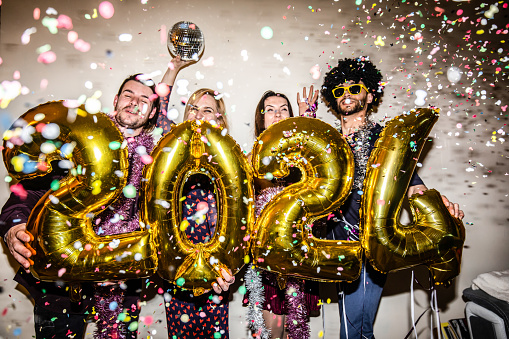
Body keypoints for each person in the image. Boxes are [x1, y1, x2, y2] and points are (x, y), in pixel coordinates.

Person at [0, 73, 165, 339]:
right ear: (115, 100)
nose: (134, 102)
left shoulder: (157, 160)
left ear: (153, 111)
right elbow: (27, 193)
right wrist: (14, 227)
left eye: (144, 99)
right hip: (62, 281)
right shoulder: (77, 141)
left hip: (122, 280)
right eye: (128, 94)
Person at [320, 56, 465, 339]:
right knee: (354, 326)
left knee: (355, 331)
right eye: (339, 90)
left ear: (370, 94)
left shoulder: (385, 138)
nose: (346, 94)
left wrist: (441, 207)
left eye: (354, 88)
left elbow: (412, 182)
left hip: (372, 245)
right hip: (337, 246)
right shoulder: (329, 141)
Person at [158, 87, 234, 339]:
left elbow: (243, 222)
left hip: (216, 272)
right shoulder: (172, 154)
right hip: (178, 268)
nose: (199, 114)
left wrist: (231, 265)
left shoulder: (231, 160)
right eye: (193, 108)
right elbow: (159, 115)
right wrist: (175, 67)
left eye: (207, 110)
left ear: (219, 119)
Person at [245, 88, 320, 339]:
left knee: (296, 331)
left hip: (300, 257)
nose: (277, 114)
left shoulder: (303, 158)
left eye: (283, 109)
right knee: (272, 332)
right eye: (270, 110)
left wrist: (306, 121)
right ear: (261, 118)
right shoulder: (250, 158)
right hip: (266, 261)